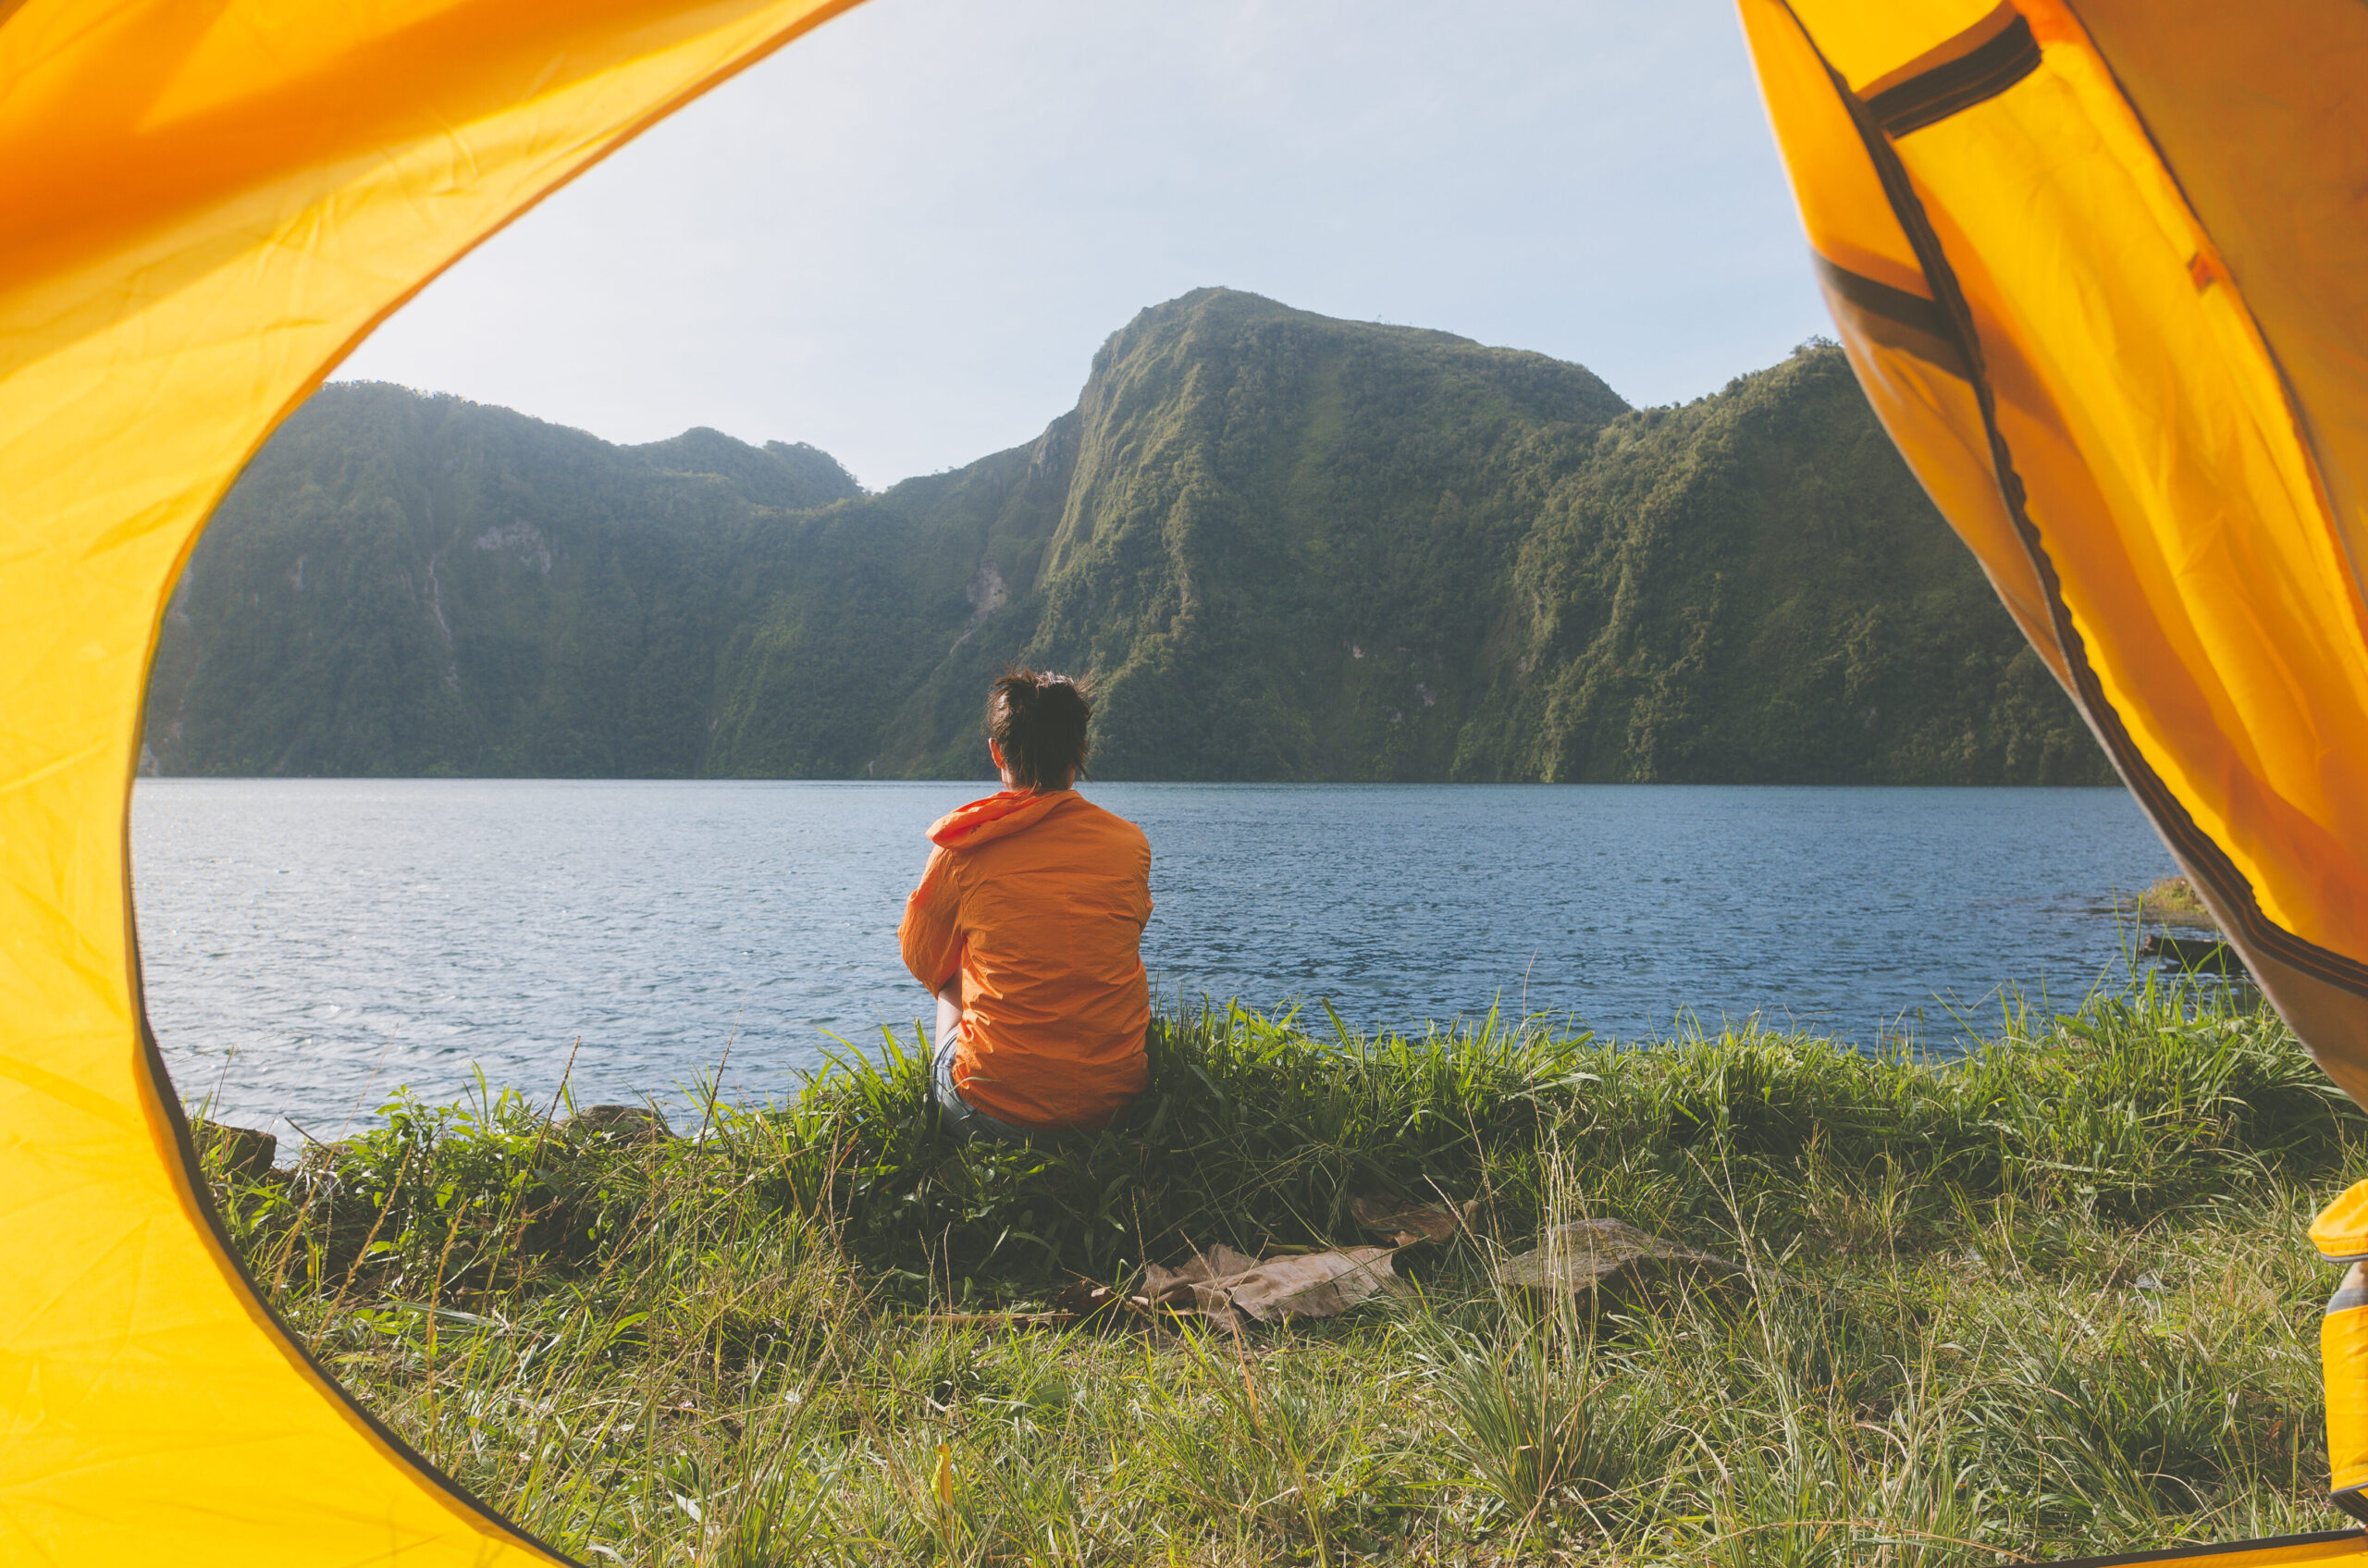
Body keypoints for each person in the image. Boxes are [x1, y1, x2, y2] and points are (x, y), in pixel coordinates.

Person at [897, 669, 1152, 1140]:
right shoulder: (1129, 845)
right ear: (1081, 750)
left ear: (997, 753)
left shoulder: (964, 848)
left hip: (993, 1115)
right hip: (1116, 1108)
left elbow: (921, 957)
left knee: (953, 969)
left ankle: (948, 1119)